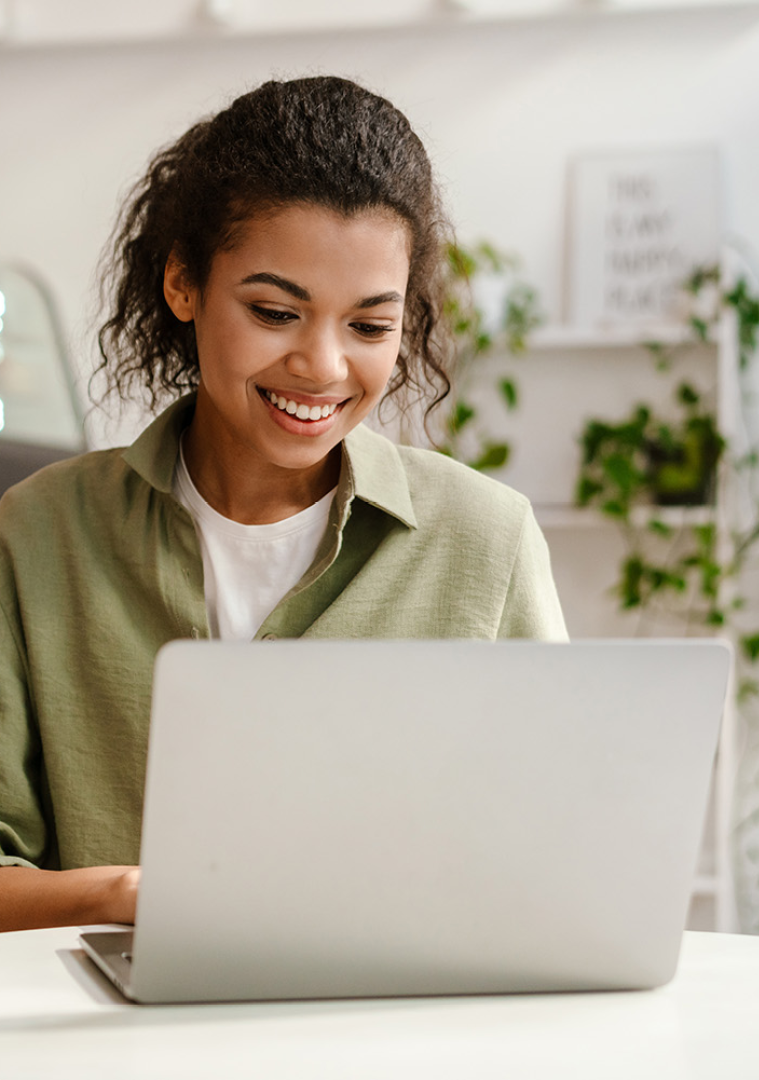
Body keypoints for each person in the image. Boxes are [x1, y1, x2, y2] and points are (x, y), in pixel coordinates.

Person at [0, 76, 566, 932]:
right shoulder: (36, 533)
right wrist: (129, 897)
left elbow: (556, 863)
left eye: (369, 327)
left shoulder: (485, 541)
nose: (323, 366)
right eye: (274, 311)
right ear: (183, 284)